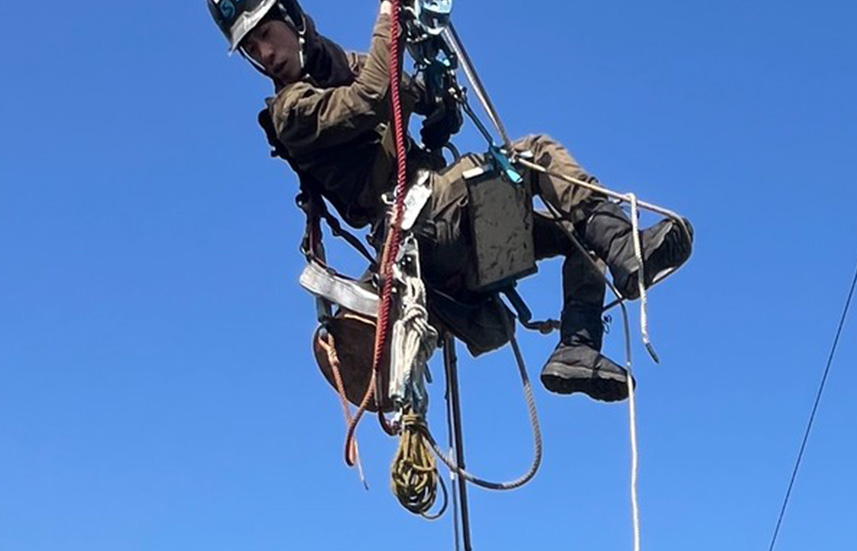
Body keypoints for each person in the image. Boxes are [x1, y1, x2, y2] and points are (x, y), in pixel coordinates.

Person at [211, 0, 694, 404]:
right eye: (253, 47)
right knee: (534, 154)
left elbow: (399, 90)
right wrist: (391, 14)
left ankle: (578, 346)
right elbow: (372, 97)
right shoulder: (290, 112)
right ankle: (629, 253)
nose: (265, 52)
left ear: (290, 16)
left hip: (448, 221)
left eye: (265, 34)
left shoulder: (335, 63)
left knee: (575, 238)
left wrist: (435, 96)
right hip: (418, 227)